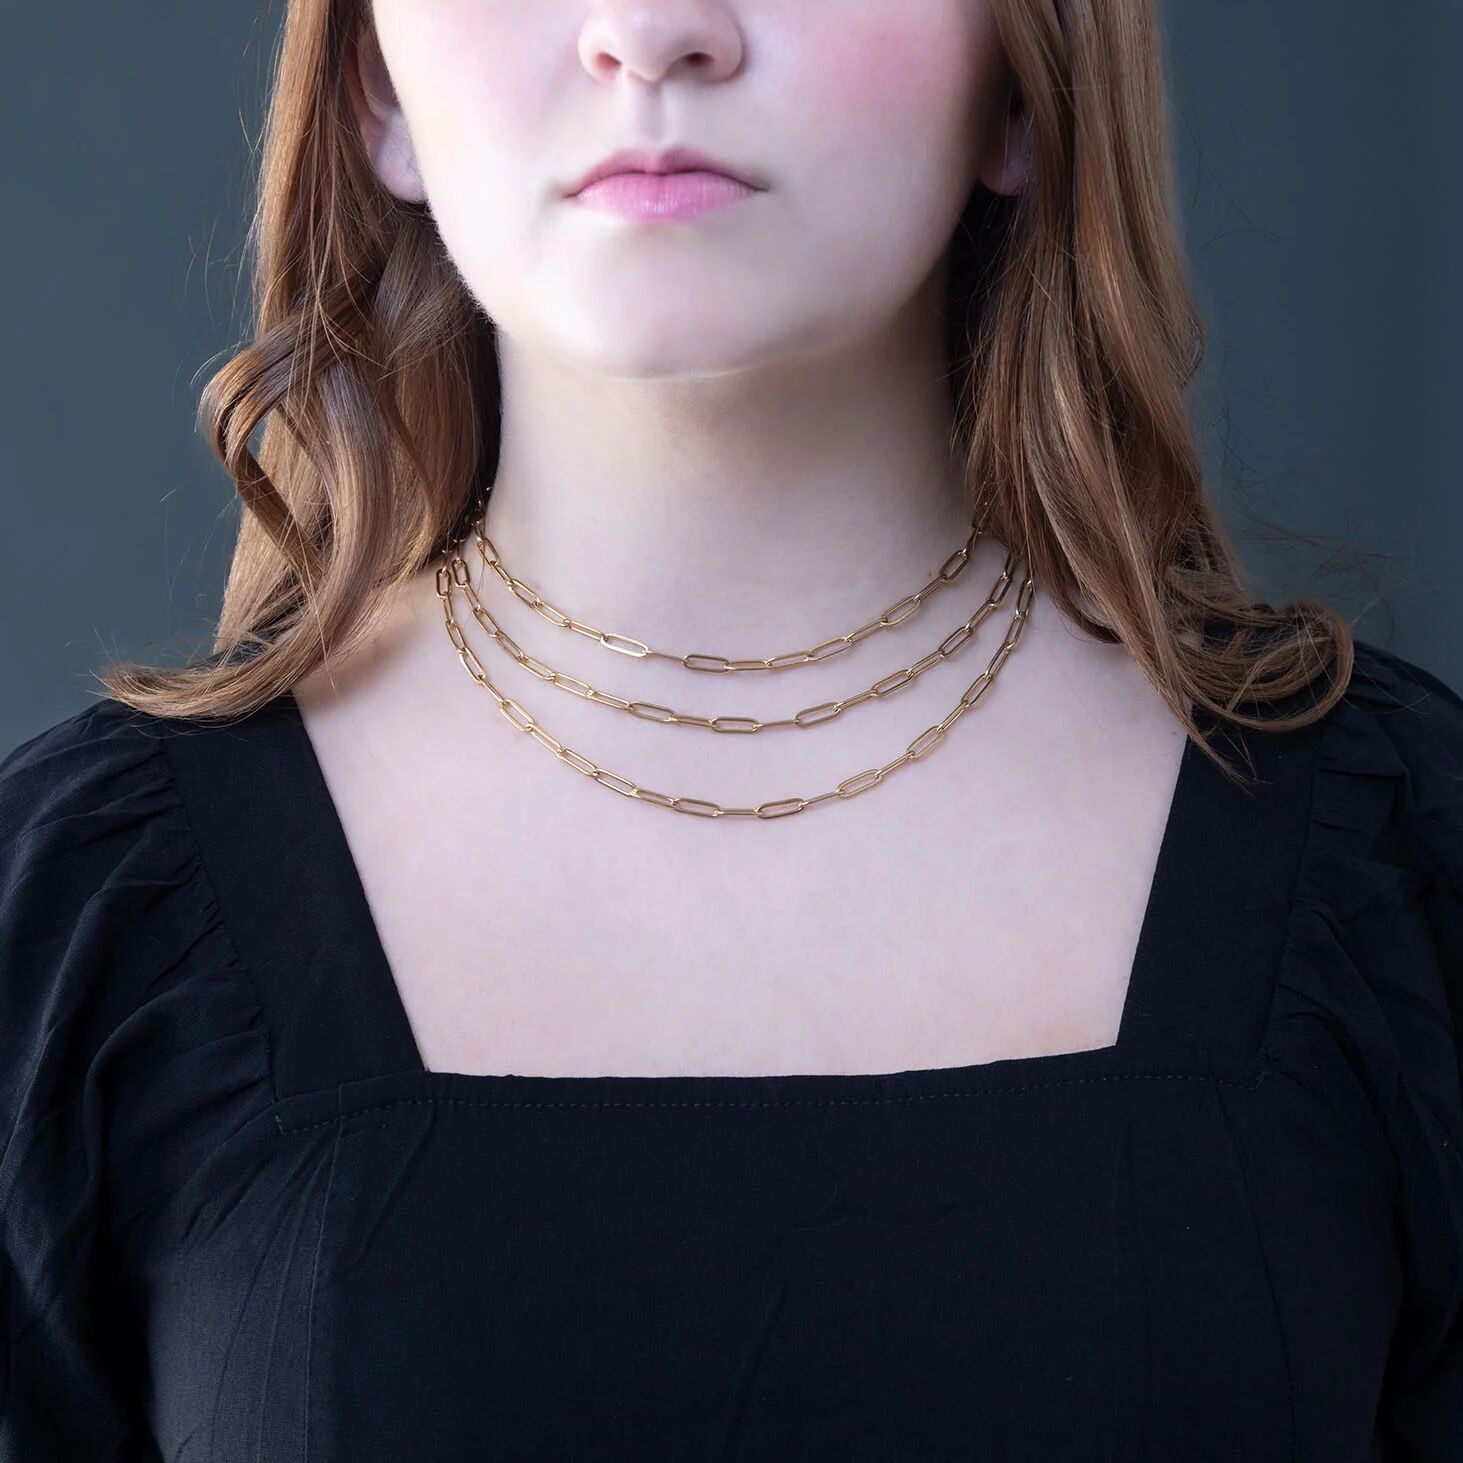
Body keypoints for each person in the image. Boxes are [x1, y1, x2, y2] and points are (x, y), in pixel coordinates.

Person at [2, 0, 1460, 1456]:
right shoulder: (75, 933)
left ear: (1028, 78)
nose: (651, 32)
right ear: (375, 89)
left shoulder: (1406, 875)